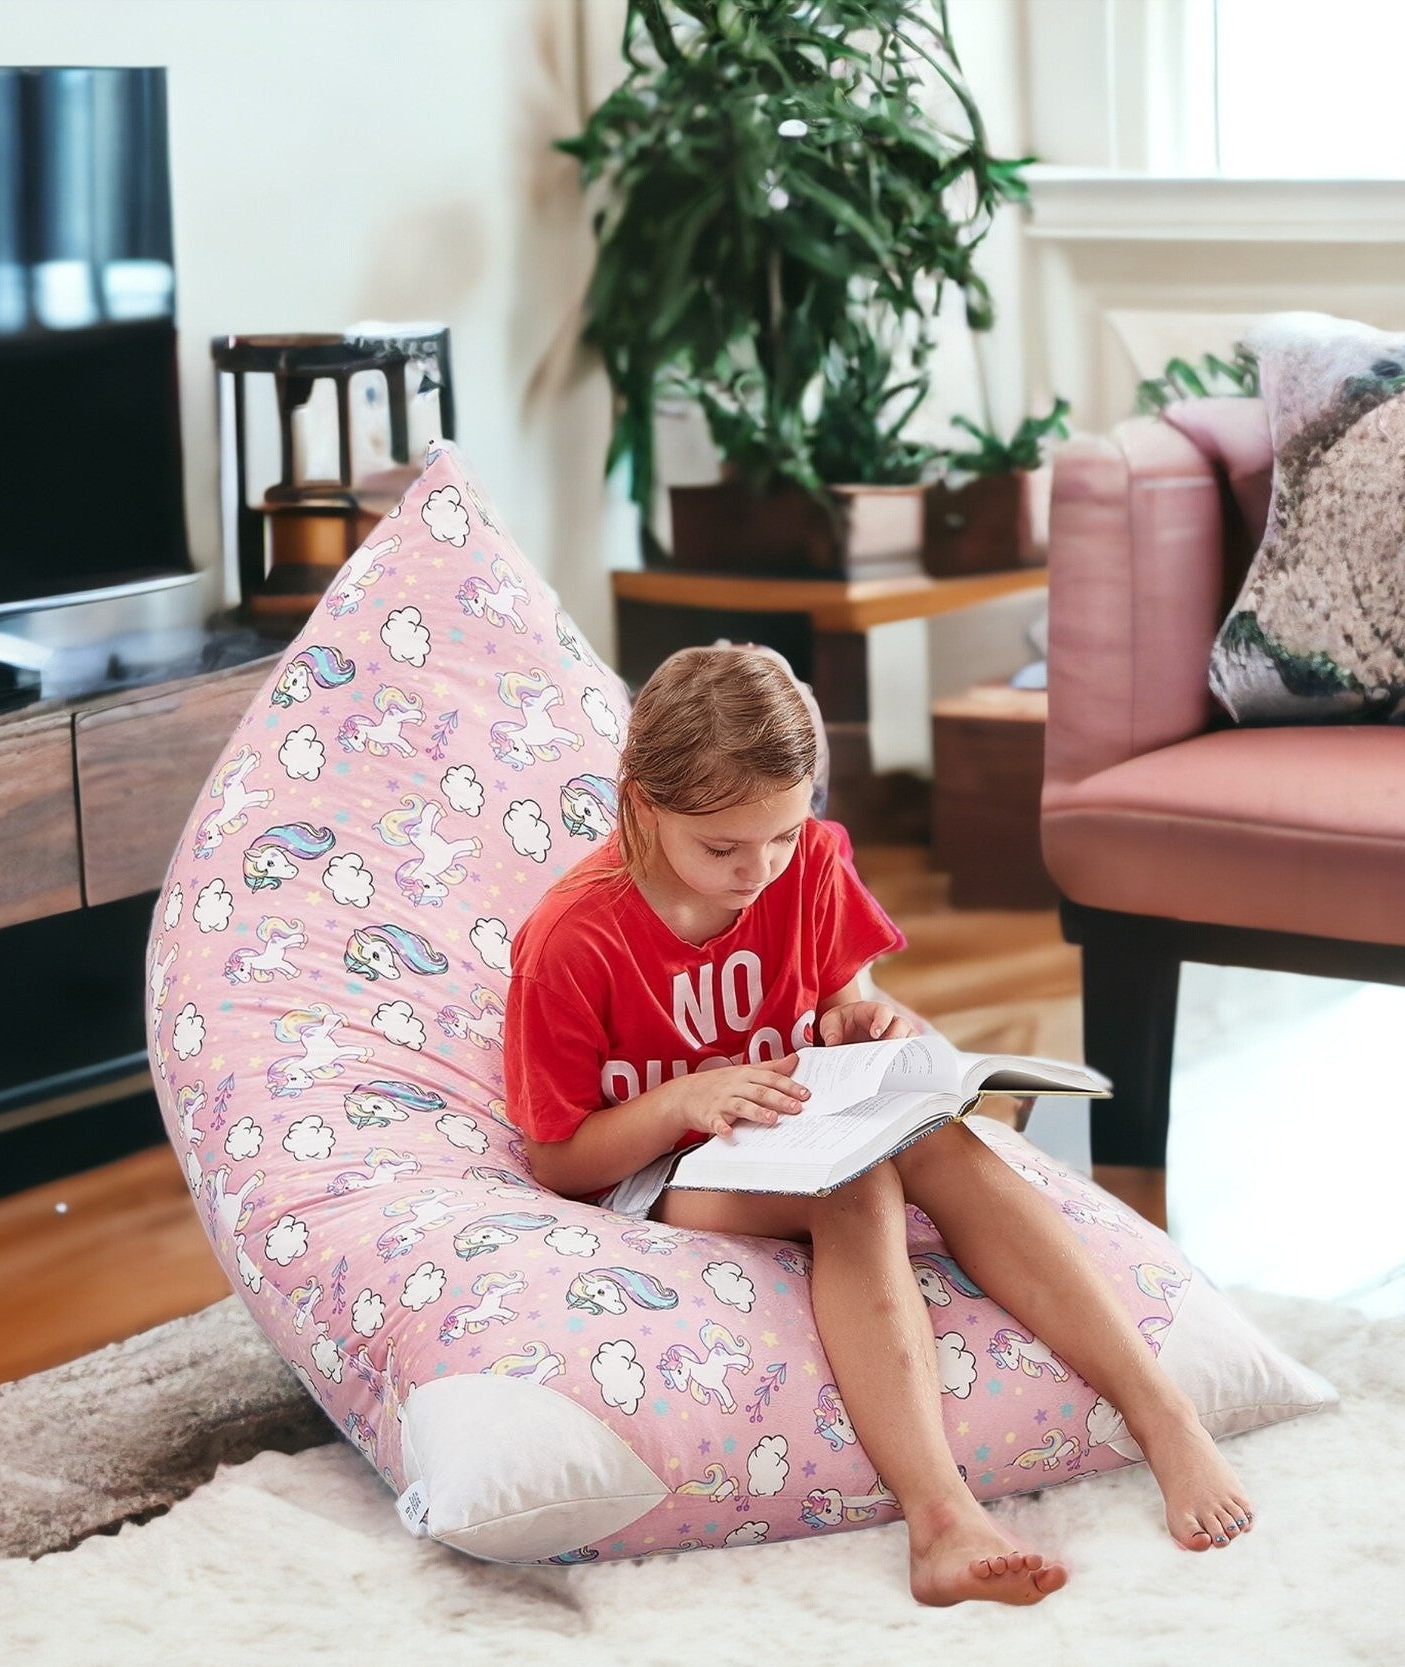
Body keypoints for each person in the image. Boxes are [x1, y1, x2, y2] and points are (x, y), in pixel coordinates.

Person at [504, 646, 1252, 1606]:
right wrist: (681, 1102)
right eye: (722, 849)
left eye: (780, 836)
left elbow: (844, 992)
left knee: (936, 1140)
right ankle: (941, 1518)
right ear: (640, 803)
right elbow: (557, 1158)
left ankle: (1166, 1418)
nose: (757, 871)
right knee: (856, 1188)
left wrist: (863, 1015)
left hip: (798, 1120)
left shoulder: (809, 861)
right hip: (665, 1165)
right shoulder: (576, 936)